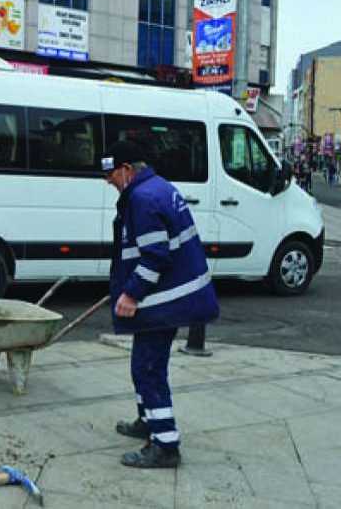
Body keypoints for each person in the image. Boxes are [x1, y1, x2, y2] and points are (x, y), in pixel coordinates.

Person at [103, 140, 219, 469]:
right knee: (146, 365)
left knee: (148, 368)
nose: (107, 181)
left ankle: (165, 445)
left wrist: (130, 294)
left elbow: (155, 256)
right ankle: (147, 421)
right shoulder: (157, 188)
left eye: (110, 174)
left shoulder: (142, 198)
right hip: (167, 297)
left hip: (163, 301)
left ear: (127, 170)